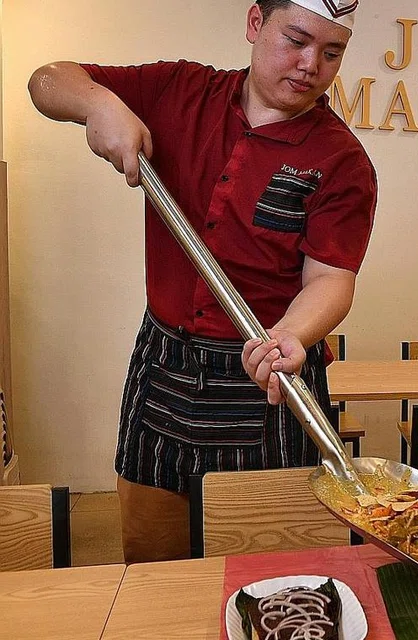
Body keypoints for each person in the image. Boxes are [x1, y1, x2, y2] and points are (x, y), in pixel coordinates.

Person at [28, 0, 376, 563]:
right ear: (255, 23)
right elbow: (45, 82)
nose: (311, 64)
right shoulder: (180, 91)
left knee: (270, 562)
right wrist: (99, 104)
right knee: (151, 554)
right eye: (296, 39)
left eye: (331, 52)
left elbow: (332, 279)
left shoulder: (342, 160)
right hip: (164, 364)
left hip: (264, 373)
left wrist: (293, 332)